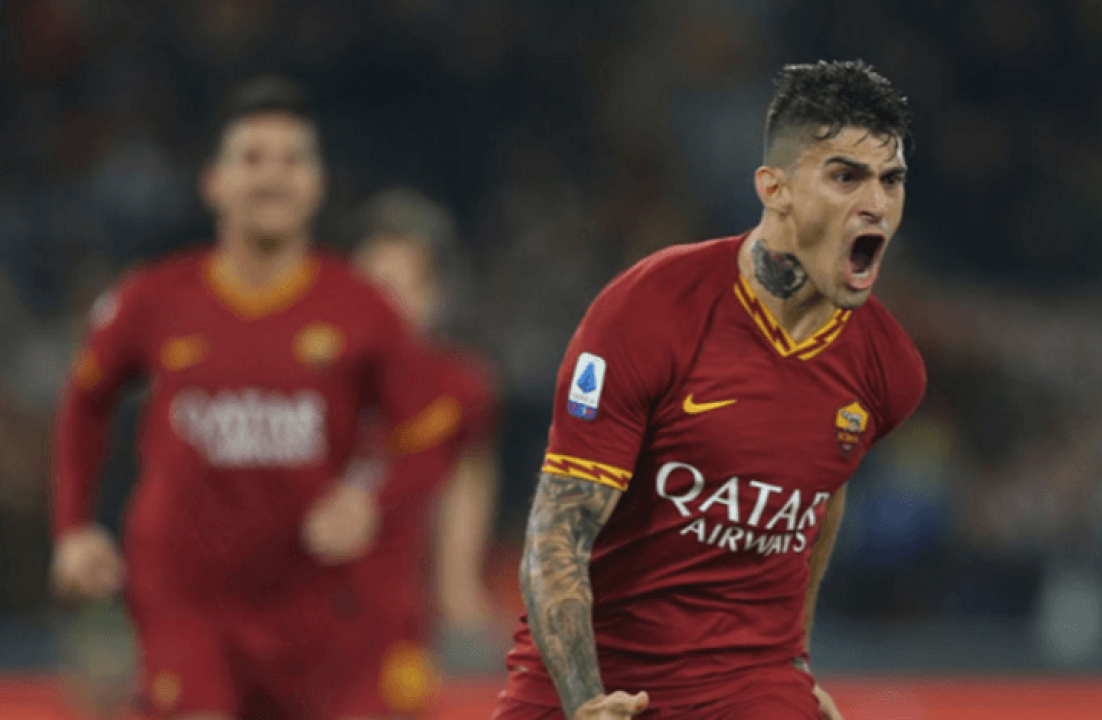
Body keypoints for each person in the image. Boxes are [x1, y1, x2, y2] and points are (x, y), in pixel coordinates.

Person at [492, 60, 927, 720]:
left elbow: (822, 490)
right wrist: (586, 701)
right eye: (846, 176)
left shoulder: (888, 368)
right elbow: (557, 531)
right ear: (774, 189)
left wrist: (796, 664)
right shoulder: (651, 310)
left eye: (891, 180)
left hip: (744, 685)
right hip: (591, 676)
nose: (877, 204)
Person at [50, 76, 461, 720]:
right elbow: (85, 401)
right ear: (214, 182)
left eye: (291, 160)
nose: (272, 177)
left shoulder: (361, 307)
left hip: (312, 605)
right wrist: (73, 527)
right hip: (184, 597)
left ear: (317, 185)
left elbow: (430, 434)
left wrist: (370, 501)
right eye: (252, 159)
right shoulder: (153, 298)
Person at [351, 189, 503, 664]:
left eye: (398, 289)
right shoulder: (306, 384)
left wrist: (459, 588)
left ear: (435, 298)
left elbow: (466, 480)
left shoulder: (461, 390)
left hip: (412, 625)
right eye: (367, 289)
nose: (380, 307)